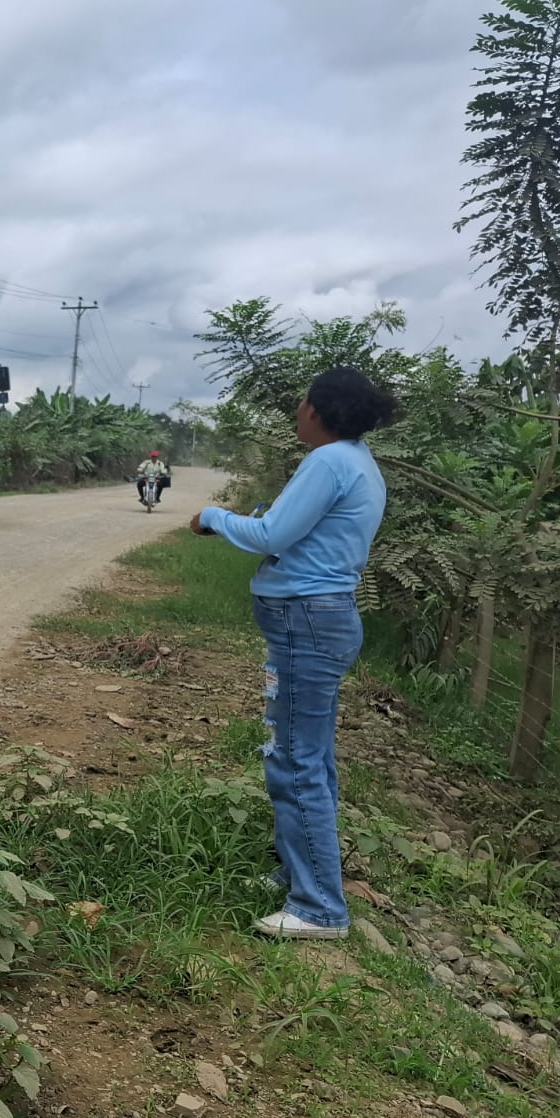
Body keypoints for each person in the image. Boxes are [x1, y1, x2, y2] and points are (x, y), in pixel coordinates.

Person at [189, 367, 397, 940]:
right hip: (320, 620)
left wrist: (211, 517)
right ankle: (299, 873)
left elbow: (270, 536)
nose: (297, 409)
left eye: (303, 401)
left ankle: (319, 907)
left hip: (307, 622)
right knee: (312, 755)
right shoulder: (357, 460)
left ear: (318, 410)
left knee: (294, 759)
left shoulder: (329, 461)